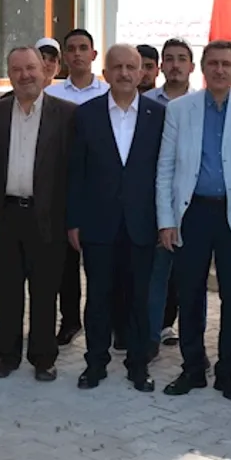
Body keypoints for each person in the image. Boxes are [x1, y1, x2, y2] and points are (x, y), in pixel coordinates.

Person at [156, 40, 231, 400]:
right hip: (193, 214)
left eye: (226, 64)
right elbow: (166, 167)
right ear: (202, 68)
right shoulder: (180, 109)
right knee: (189, 294)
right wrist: (166, 220)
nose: (219, 70)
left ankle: (227, 372)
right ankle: (193, 367)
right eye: (213, 63)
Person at [67, 44, 163, 392]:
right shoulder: (86, 114)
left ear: (142, 73)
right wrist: (73, 220)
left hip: (142, 223)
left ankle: (138, 365)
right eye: (117, 67)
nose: (124, 73)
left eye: (131, 67)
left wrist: (164, 220)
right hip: (98, 223)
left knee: (139, 298)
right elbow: (76, 172)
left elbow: (164, 171)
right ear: (105, 73)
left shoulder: (158, 115)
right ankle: (95, 363)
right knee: (98, 298)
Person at [0, 47, 76, 381]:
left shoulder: (67, 114)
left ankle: (43, 357)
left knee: (45, 290)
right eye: (17, 69)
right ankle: (6, 356)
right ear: (9, 74)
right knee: (6, 289)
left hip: (48, 216)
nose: (25, 75)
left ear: (45, 71)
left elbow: (74, 171)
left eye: (31, 68)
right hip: (5, 215)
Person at [46, 29, 109, 346]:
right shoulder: (53, 93)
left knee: (103, 262)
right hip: (63, 185)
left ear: (94, 54)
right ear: (64, 57)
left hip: (102, 188)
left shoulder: (109, 92)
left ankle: (107, 321)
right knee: (66, 262)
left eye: (83, 48)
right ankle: (70, 320)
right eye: (71, 49)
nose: (77, 54)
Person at [145, 37, 195, 354]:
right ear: (161, 65)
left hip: (191, 202)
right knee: (155, 275)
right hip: (153, 199)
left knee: (188, 278)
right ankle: (149, 337)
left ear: (191, 66)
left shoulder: (202, 104)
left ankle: (188, 341)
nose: (175, 65)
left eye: (181, 59)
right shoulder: (146, 103)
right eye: (170, 59)